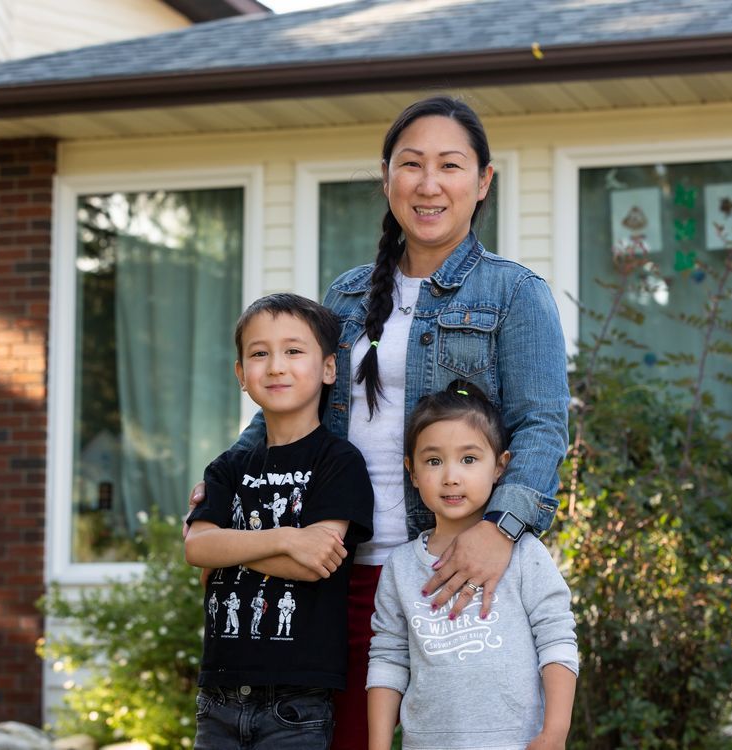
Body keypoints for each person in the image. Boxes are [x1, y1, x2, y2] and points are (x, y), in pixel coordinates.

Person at [188, 95, 569, 749]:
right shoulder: (345, 295)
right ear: (386, 176)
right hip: (331, 566)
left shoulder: (515, 294)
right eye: (410, 164)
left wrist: (499, 532)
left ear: (482, 182)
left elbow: (542, 428)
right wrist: (229, 482)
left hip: (450, 570)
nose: (428, 184)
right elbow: (291, 409)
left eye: (449, 166)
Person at [184, 293, 374, 750]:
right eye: (259, 353)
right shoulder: (227, 466)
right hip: (218, 696)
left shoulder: (339, 462)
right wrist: (288, 537)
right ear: (240, 375)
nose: (275, 366)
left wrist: (233, 546)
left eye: (293, 351)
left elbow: (316, 562)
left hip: (297, 702)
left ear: (328, 369)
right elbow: (197, 548)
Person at [367, 382, 578, 750]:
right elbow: (388, 659)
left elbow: (557, 640)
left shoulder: (525, 554)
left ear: (500, 466)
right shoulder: (400, 568)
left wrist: (555, 732)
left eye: (468, 459)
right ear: (412, 472)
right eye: (434, 461)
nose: (451, 476)